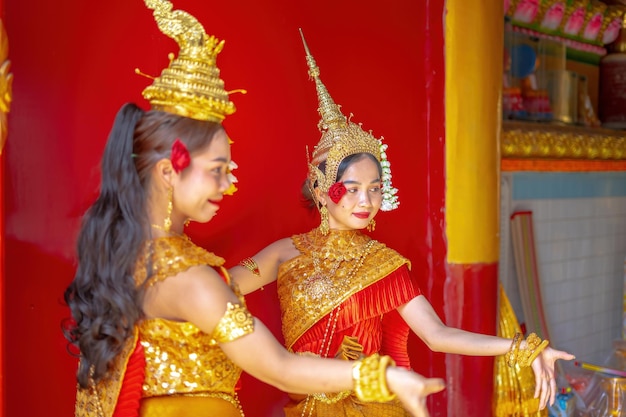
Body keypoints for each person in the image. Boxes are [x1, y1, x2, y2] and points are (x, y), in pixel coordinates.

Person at [61, 2, 446, 417]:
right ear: (168, 172)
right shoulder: (188, 278)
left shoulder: (142, 256)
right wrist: (384, 377)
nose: (230, 183)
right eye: (217, 170)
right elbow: (280, 368)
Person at [228, 31, 576, 417]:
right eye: (353, 188)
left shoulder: (384, 265)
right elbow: (222, 290)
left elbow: (438, 335)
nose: (367, 201)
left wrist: (522, 348)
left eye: (375, 189)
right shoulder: (284, 253)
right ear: (321, 187)